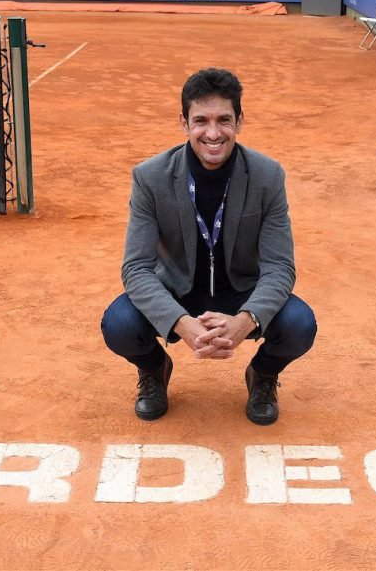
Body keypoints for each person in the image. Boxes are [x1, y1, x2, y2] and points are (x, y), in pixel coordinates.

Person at [100, 68, 317, 426]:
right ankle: (154, 369)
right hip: (177, 293)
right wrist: (179, 323)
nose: (213, 133)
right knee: (119, 323)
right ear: (184, 123)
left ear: (240, 122)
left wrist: (245, 321)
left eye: (224, 120)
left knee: (299, 324)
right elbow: (136, 268)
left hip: (241, 292)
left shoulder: (268, 176)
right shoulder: (150, 177)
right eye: (201, 120)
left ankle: (262, 375)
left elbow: (280, 267)